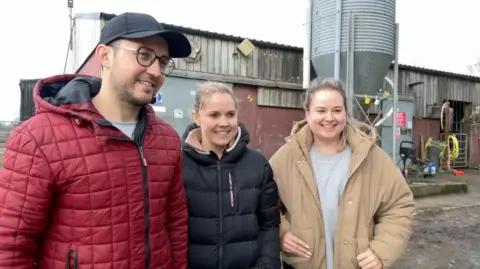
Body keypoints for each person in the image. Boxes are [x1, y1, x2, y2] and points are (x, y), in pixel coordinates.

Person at [0, 12, 192, 269]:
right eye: (144, 55)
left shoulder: (166, 139)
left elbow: (175, 224)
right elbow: (11, 246)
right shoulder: (40, 137)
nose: (156, 71)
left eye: (163, 61)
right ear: (105, 56)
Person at [270, 78, 414, 269]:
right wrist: (280, 233)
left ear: (346, 112)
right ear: (307, 113)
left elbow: (399, 205)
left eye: (337, 110)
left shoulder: (371, 157)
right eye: (321, 110)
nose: (329, 118)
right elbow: (262, 203)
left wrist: (381, 251)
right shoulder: (286, 157)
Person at [181, 82, 281, 269]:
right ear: (196, 116)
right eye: (214, 115)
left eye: (230, 115)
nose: (224, 123)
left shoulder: (257, 164)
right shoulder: (179, 164)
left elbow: (269, 225)